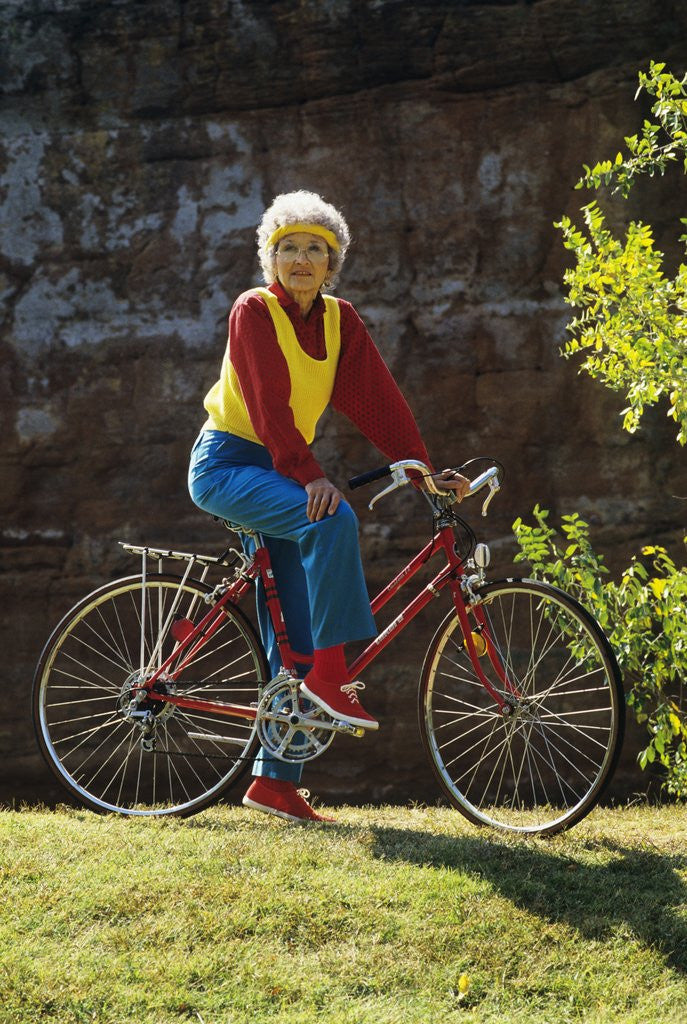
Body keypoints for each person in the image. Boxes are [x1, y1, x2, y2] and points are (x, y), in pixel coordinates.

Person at [188, 190, 469, 823]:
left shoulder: (339, 320)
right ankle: (331, 680)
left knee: (293, 633)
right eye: (288, 247)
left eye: (317, 248)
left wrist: (422, 467)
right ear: (270, 258)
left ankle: (274, 783)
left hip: (280, 472)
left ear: (333, 262)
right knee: (333, 515)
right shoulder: (254, 310)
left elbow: (378, 400)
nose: (302, 259)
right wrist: (312, 475)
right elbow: (267, 404)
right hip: (230, 465)